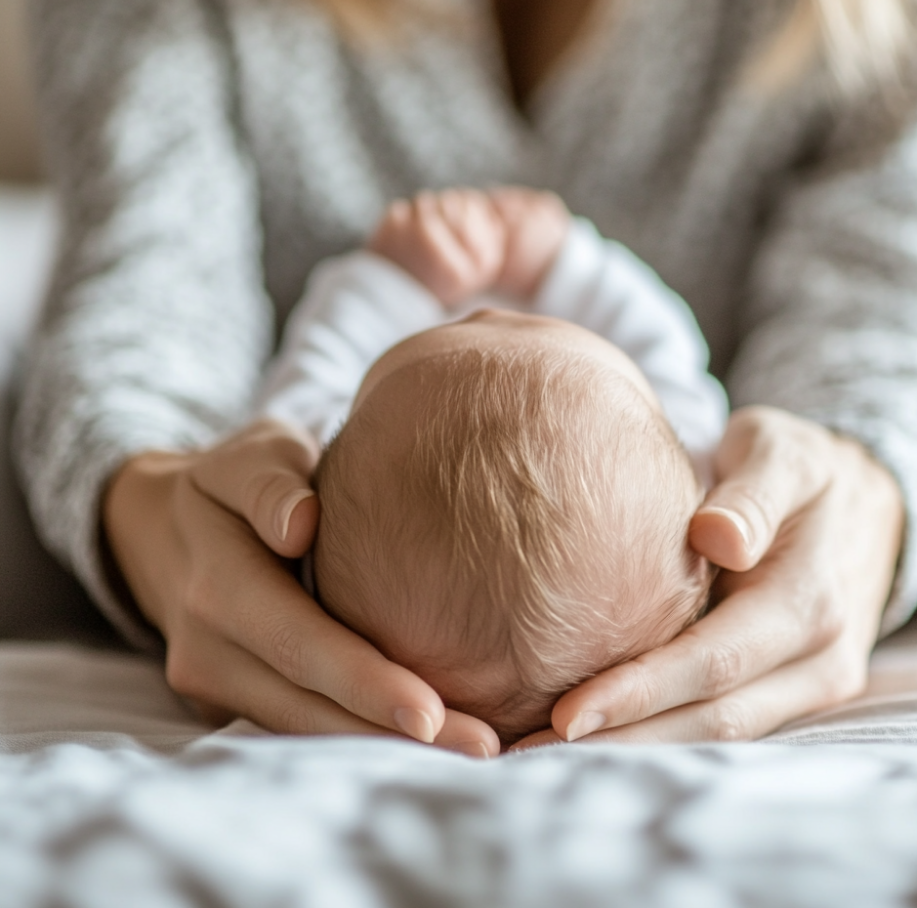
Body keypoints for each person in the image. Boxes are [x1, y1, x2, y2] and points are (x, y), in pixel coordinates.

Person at [17, 0, 917, 757]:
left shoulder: (320, 418)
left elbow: (912, 269)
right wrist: (145, 504)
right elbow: (149, 263)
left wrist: (869, 486)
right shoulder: (685, 415)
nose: (493, 310)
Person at [256, 186, 726, 744]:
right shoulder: (690, 449)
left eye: (456, 328)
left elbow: (321, 362)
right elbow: (661, 339)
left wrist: (393, 277)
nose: (490, 308)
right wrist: (565, 264)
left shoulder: (305, 449)